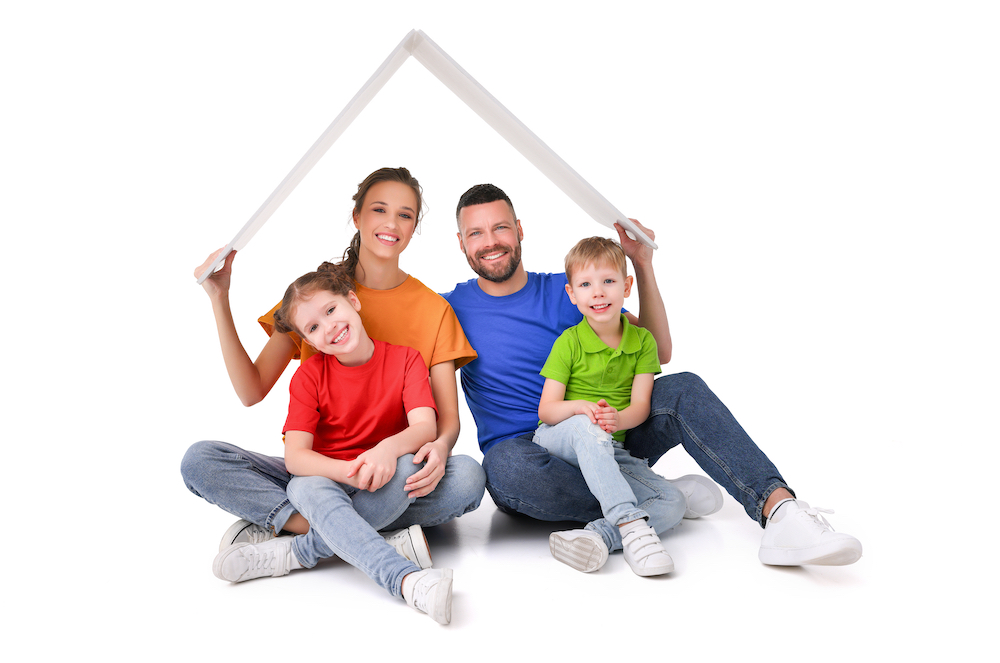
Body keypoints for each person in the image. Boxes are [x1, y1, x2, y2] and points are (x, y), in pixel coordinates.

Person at [442, 183, 862, 567]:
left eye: (500, 227)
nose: (490, 241)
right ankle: (659, 494)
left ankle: (780, 510)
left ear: (519, 230)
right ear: (461, 243)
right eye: (476, 233)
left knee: (683, 388)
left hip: (610, 434)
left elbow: (657, 350)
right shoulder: (448, 309)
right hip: (532, 460)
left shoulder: (571, 288)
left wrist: (642, 265)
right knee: (504, 468)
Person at [182, 168, 485, 578]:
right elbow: (251, 391)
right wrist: (220, 298)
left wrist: (440, 449)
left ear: (415, 226)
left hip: (392, 470)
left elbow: (443, 423)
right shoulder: (314, 296)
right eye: (379, 209)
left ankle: (302, 539)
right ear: (357, 216)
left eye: (405, 215)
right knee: (202, 461)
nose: (391, 224)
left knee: (467, 477)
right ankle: (367, 537)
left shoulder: (434, 310)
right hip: (319, 471)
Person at [213, 262, 456, 623]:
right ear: (308, 342)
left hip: (384, 479)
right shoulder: (309, 376)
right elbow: (296, 458)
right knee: (210, 461)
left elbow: (425, 427)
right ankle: (405, 578)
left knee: (458, 475)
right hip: (325, 479)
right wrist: (347, 472)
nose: (329, 327)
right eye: (313, 327)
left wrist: (386, 450)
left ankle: (298, 551)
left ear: (353, 302)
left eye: (331, 310)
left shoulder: (406, 359)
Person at [535, 236, 677, 577]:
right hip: (559, 436)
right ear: (572, 294)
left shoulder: (642, 341)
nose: (597, 293)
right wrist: (580, 407)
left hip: (609, 446)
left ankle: (598, 536)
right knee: (587, 427)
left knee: (674, 502)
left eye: (608, 281)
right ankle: (630, 524)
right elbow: (547, 411)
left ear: (626, 287)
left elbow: (640, 406)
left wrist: (617, 419)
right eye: (585, 284)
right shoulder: (568, 342)